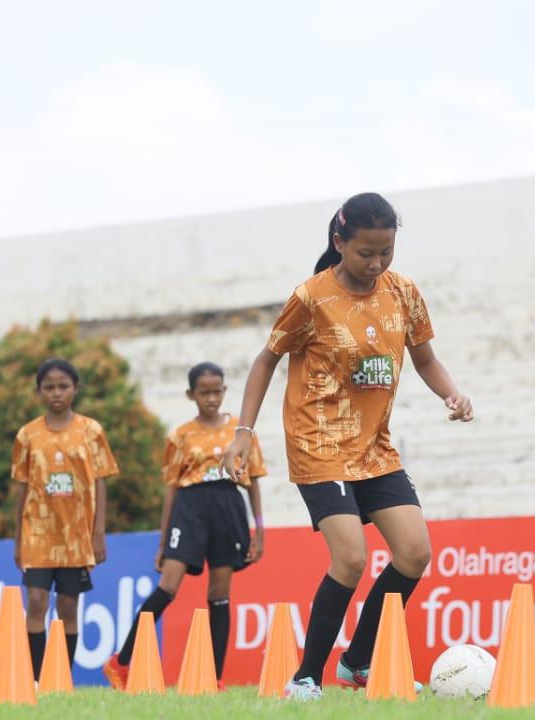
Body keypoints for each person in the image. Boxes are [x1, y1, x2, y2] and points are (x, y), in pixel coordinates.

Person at [222, 192, 473, 700]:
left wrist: (452, 393)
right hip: (319, 446)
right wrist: (243, 433)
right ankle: (306, 679)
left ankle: (358, 663)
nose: (376, 263)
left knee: (414, 553)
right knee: (352, 559)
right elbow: (265, 361)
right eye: (366, 253)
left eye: (386, 251)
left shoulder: (403, 292)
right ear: (339, 242)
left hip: (374, 449)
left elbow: (425, 359)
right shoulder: (312, 298)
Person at [104, 362, 267, 689]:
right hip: (190, 510)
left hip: (228, 508)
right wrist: (163, 542)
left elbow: (253, 483)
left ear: (224, 390)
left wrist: (259, 530)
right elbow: (171, 489)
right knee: (169, 586)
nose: (211, 398)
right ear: (191, 394)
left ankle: (214, 678)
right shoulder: (180, 435)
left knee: (219, 594)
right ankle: (121, 662)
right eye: (204, 392)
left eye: (217, 391)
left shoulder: (241, 431)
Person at [12, 358, 119, 682]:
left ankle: (61, 677)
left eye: (63, 386)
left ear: (75, 389)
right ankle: (35, 678)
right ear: (39, 392)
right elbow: (21, 488)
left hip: (76, 534)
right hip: (38, 533)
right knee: (35, 600)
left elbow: (100, 481)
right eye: (49, 387)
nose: (56, 393)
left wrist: (98, 532)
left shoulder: (91, 431)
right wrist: (18, 539)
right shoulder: (27, 435)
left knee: (69, 606)